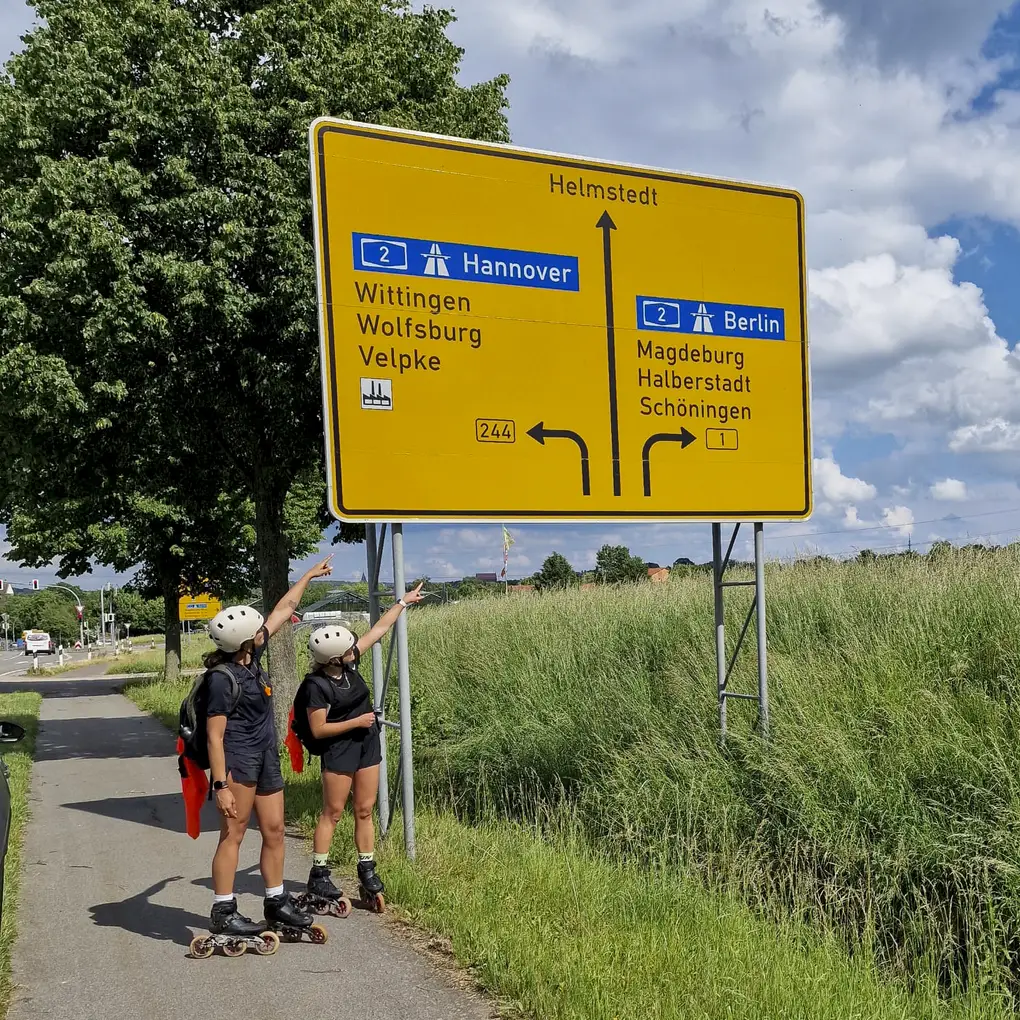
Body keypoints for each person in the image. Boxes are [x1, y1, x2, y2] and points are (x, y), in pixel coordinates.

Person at [203, 554, 335, 937]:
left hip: (265, 757)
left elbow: (284, 609)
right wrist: (220, 785)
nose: (263, 630)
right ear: (244, 639)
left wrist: (308, 575)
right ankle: (223, 910)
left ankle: (276, 903)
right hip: (237, 763)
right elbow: (214, 736)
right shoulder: (221, 679)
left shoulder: (250, 658)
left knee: (275, 830)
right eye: (257, 630)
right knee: (234, 834)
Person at [298, 582, 426, 907]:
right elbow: (318, 729)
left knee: (365, 809)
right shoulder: (316, 686)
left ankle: (366, 868)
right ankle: (320, 875)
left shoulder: (348, 663)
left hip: (367, 743)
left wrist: (403, 602)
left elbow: (379, 629)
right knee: (333, 812)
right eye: (348, 650)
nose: (354, 649)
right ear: (333, 659)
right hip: (339, 747)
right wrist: (356, 722)